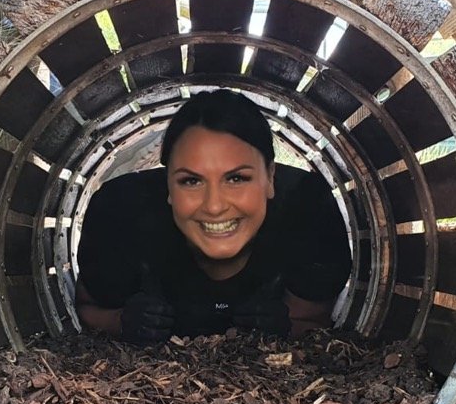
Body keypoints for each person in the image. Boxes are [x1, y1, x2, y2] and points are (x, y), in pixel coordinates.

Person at [75, 90, 352, 342]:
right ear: (167, 184)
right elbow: (87, 309)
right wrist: (121, 322)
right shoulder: (121, 214)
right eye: (191, 181)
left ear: (270, 177)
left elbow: (316, 322)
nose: (215, 206)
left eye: (236, 178)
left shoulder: (306, 211)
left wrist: (286, 326)